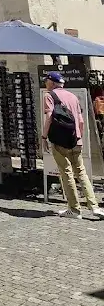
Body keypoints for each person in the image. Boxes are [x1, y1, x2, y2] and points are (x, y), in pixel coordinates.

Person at [42, 72, 104, 219]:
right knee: (81, 173)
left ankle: (74, 210)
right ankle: (95, 207)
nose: (45, 84)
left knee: (66, 173)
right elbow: (81, 121)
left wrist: (44, 137)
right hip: (75, 139)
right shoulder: (73, 96)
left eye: (46, 81)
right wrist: (78, 137)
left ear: (51, 82)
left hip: (60, 141)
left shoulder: (49, 96)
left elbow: (50, 117)